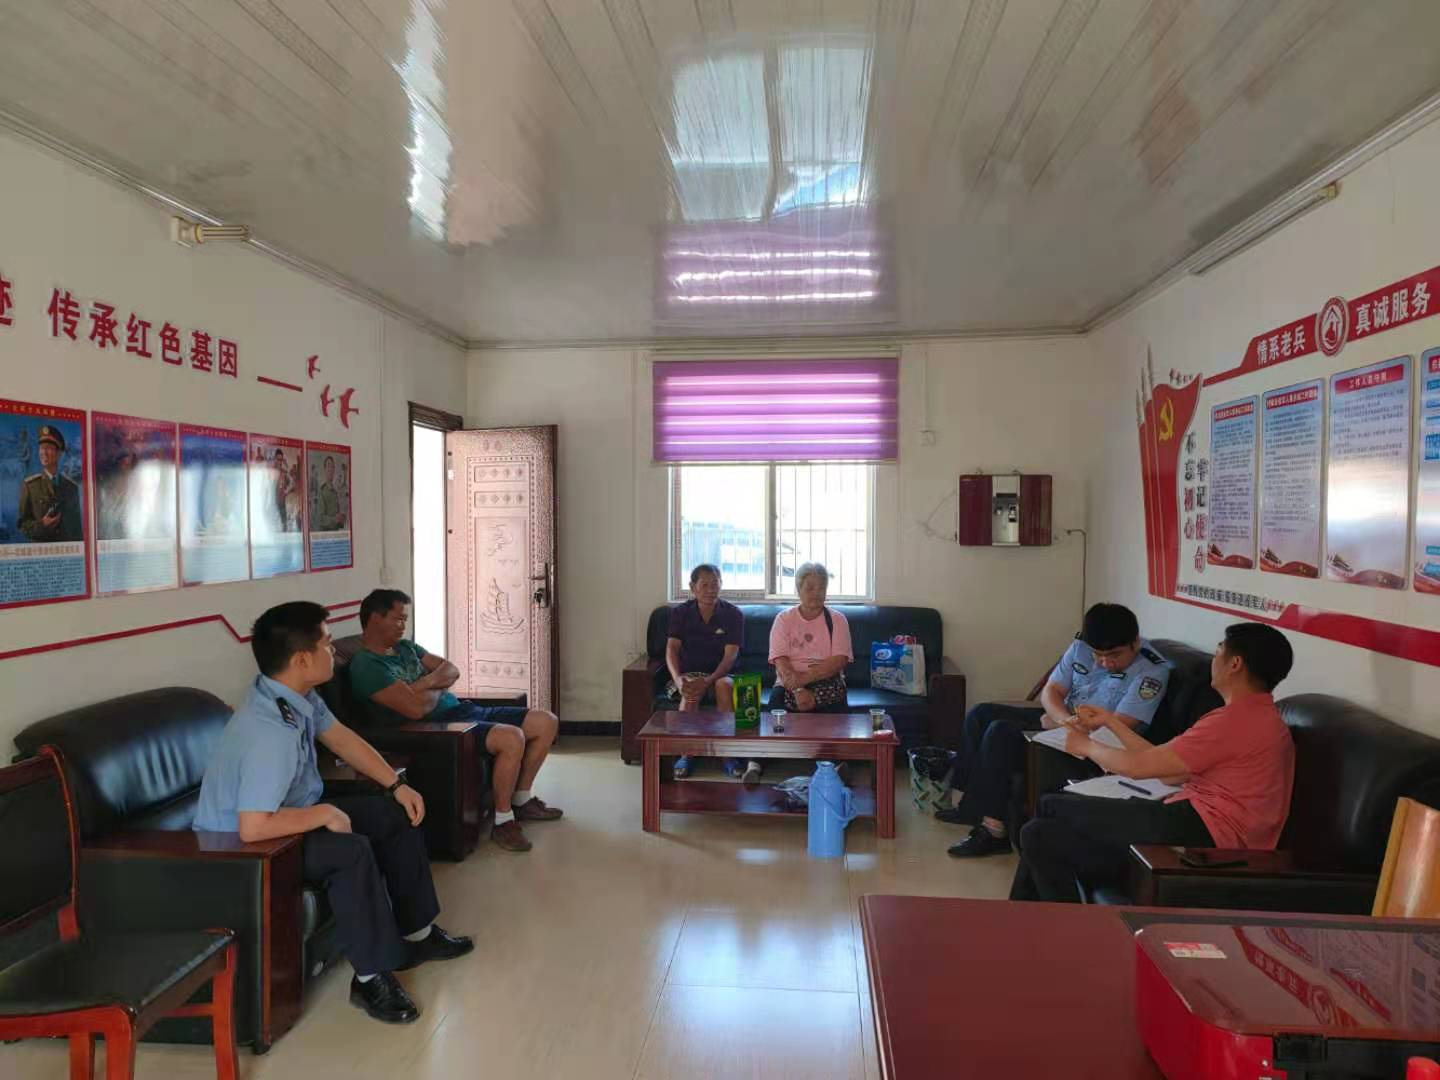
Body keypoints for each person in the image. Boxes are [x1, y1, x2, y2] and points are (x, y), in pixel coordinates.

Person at [193, 601, 473, 1024]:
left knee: (391, 814)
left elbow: (342, 739)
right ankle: (371, 978)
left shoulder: (294, 695)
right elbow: (252, 827)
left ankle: (418, 934)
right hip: (240, 848)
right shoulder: (269, 732)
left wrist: (396, 785)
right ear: (302, 660)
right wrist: (324, 814)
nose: (335, 651)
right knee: (350, 852)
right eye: (326, 644)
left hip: (285, 817)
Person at [1009, 622, 1296, 904]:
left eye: (1220, 649)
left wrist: (1086, 746)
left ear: (1235, 664)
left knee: (1050, 806)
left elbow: (1139, 767)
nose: (1215, 658)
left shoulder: (1233, 722)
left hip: (1207, 830)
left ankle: (1035, 917)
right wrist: (1110, 722)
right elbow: (1166, 769)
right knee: (1038, 835)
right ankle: (1044, 920)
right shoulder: (1256, 716)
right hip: (1195, 817)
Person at [941, 603, 1170, 858]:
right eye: (1098, 655)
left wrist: (1062, 723)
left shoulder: (1152, 671)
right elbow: (1052, 691)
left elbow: (1119, 726)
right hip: (1066, 723)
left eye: (1114, 655)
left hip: (1099, 743)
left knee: (1001, 732)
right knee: (981, 713)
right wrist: (1063, 720)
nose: (1106, 662)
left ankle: (993, 831)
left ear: (1135, 643)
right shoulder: (1081, 647)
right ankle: (969, 807)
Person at [348, 588, 564, 853]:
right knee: (512, 738)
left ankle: (521, 799)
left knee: (546, 722)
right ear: (374, 618)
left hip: (462, 711)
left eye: (405, 619)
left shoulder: (405, 648)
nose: (404, 626)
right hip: (436, 728)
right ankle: (503, 821)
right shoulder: (367, 666)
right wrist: (438, 684)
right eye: (398, 619)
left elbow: (451, 670)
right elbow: (415, 709)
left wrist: (424, 684)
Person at [766, 562, 854, 781]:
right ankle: (756, 762)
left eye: (821, 587)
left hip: (826, 679)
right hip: (789, 681)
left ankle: (833, 766)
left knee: (834, 705)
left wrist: (805, 681)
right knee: (775, 707)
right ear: (798, 589)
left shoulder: (837, 620)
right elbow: (780, 660)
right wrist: (797, 689)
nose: (816, 593)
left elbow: (839, 660)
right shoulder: (784, 619)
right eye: (810, 587)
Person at [667, 564, 745, 780]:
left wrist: (710, 679)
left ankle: (727, 754)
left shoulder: (733, 614)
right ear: (693, 587)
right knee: (690, 686)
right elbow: (671, 650)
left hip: (723, 675)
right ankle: (686, 754)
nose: (711, 590)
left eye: (715, 584)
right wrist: (678, 679)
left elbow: (730, 657)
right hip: (690, 673)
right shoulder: (680, 613)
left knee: (723, 685)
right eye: (705, 585)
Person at [18, 425, 83, 542]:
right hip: (42, 550)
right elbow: (22, 525)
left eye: (48, 448)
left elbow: (77, 529)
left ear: (59, 453)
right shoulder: (30, 486)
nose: (44, 452)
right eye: (41, 448)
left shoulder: (71, 487)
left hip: (66, 551)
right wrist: (41, 525)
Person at [313, 455, 346, 531]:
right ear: (325, 469)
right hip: (326, 533)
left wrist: (341, 519)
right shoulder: (322, 491)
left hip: (336, 532)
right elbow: (320, 518)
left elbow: (338, 520)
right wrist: (334, 519)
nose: (331, 469)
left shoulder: (335, 492)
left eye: (332, 467)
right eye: (328, 466)